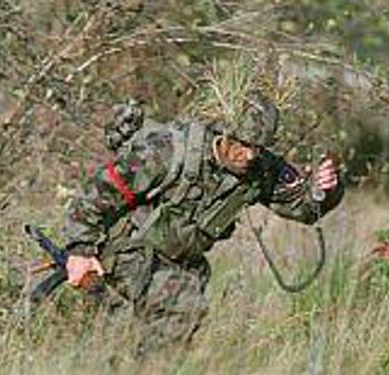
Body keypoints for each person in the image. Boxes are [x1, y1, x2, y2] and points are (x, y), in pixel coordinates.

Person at [62, 92, 343, 357]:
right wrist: (81, 250)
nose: (249, 155)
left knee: (173, 319)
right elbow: (99, 191)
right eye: (242, 144)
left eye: (257, 148)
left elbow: (304, 209)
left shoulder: (260, 168)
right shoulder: (169, 149)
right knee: (184, 306)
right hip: (128, 250)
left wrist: (325, 189)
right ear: (223, 132)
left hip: (176, 261)